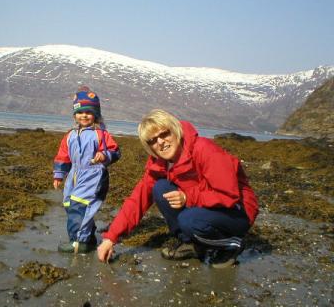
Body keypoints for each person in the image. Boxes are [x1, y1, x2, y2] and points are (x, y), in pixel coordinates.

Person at [97, 109, 258, 268]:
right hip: (203, 209)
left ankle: (230, 244)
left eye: (164, 134)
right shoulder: (159, 164)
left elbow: (228, 195)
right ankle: (192, 244)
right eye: (152, 140)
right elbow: (137, 200)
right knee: (160, 188)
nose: (160, 142)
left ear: (176, 130)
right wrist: (111, 238)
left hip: (237, 212)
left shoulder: (204, 149)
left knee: (189, 219)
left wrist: (188, 198)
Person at [53, 86, 121, 253]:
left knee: (80, 205)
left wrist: (104, 155)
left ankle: (79, 242)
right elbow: (63, 156)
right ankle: (89, 237)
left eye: (89, 112)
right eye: (80, 112)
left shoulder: (101, 134)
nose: (84, 115)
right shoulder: (70, 135)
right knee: (70, 204)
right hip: (74, 175)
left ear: (95, 115)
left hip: (94, 174)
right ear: (75, 115)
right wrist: (59, 174)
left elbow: (115, 151)